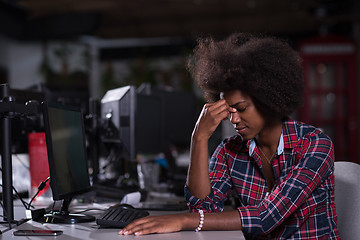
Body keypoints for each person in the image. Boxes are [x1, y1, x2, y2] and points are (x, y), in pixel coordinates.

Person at [118, 33, 340, 239]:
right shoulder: (229, 151)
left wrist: (184, 220)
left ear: (269, 101)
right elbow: (203, 210)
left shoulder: (314, 144)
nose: (233, 120)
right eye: (228, 111)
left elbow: (267, 216)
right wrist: (199, 138)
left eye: (241, 108)